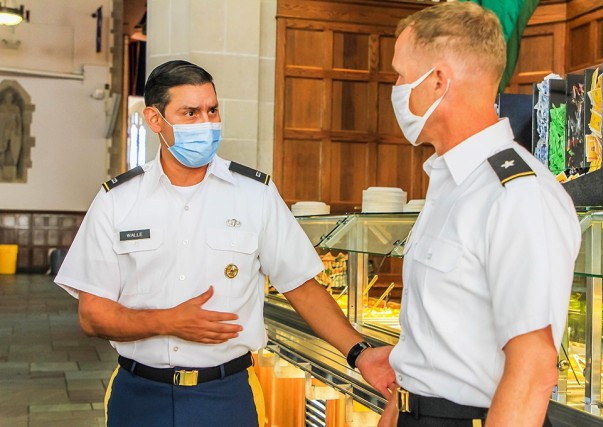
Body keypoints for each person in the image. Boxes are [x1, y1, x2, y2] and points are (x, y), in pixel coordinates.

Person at [54, 60, 394, 427]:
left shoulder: (254, 194)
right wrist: (168, 322)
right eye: (190, 112)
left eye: (212, 110)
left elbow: (302, 286)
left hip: (224, 396)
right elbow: (92, 314)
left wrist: (360, 352)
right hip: (139, 396)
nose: (207, 123)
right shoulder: (117, 200)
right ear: (155, 121)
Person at [368, 3, 582, 426]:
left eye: (400, 75)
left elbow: (534, 368)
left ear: (438, 82)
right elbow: (430, 347)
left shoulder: (517, 194)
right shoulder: (449, 181)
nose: (395, 87)